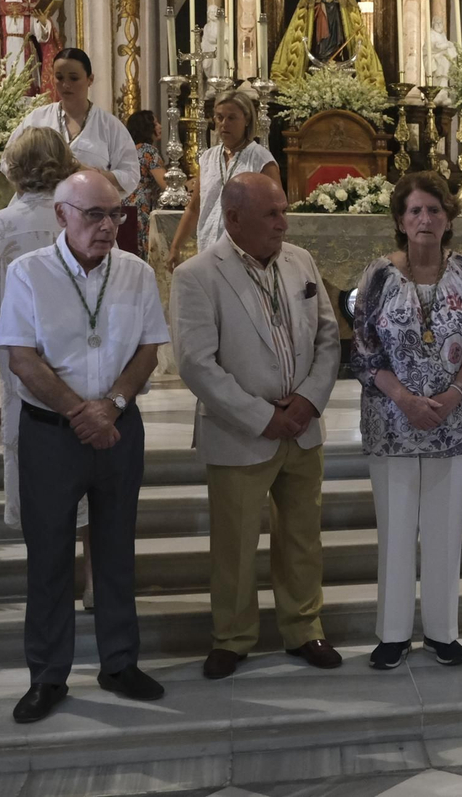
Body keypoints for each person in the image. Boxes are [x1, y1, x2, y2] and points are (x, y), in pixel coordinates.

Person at [0, 170, 169, 723]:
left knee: (116, 550)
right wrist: (78, 411)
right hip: (52, 434)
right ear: (61, 215)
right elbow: (21, 356)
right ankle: (47, 675)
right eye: (94, 215)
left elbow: (148, 351)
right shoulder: (29, 273)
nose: (107, 226)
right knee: (48, 557)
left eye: (115, 214)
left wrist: (112, 405)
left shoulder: (136, 273)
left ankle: (119, 662)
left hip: (118, 429)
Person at [174, 172, 343, 679]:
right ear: (233, 219)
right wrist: (264, 416)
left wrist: (308, 401)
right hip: (241, 432)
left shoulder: (301, 262)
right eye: (271, 214)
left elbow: (330, 338)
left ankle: (304, 627)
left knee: (302, 539)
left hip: (302, 427)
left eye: (283, 211)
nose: (283, 223)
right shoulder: (198, 275)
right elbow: (197, 364)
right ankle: (232, 636)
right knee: (236, 545)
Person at [352, 172, 462, 669]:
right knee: (394, 528)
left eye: (434, 210)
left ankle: (441, 631)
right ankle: (392, 634)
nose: (425, 219)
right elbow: (365, 354)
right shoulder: (378, 276)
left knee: (445, 528)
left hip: (454, 425)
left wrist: (453, 395)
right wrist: (407, 400)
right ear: (399, 221)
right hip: (392, 422)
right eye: (414, 211)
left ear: (449, 218)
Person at [0, 127, 98, 604]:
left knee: (40, 477)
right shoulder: (83, 216)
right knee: (90, 469)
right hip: (87, 365)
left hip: (26, 371)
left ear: (14, 167)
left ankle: (53, 586)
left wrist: (10, 359)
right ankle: (95, 586)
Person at [166, 92, 282, 268]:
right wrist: (175, 246)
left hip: (248, 253)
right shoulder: (207, 158)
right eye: (219, 118)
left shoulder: (261, 159)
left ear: (247, 119)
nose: (224, 124)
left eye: (232, 118)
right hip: (208, 249)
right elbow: (194, 207)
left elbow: (276, 210)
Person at [3, 48, 140, 196]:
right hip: (38, 205)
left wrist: (91, 173)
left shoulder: (109, 126)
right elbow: (8, 161)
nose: (66, 84)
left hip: (89, 207)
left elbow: (130, 176)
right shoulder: (37, 118)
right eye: (59, 77)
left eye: (73, 78)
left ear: (90, 79)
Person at [125, 110, 167, 259]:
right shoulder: (148, 150)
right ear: (146, 127)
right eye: (155, 123)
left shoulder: (129, 150)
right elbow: (166, 185)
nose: (160, 126)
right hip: (142, 209)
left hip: (127, 206)